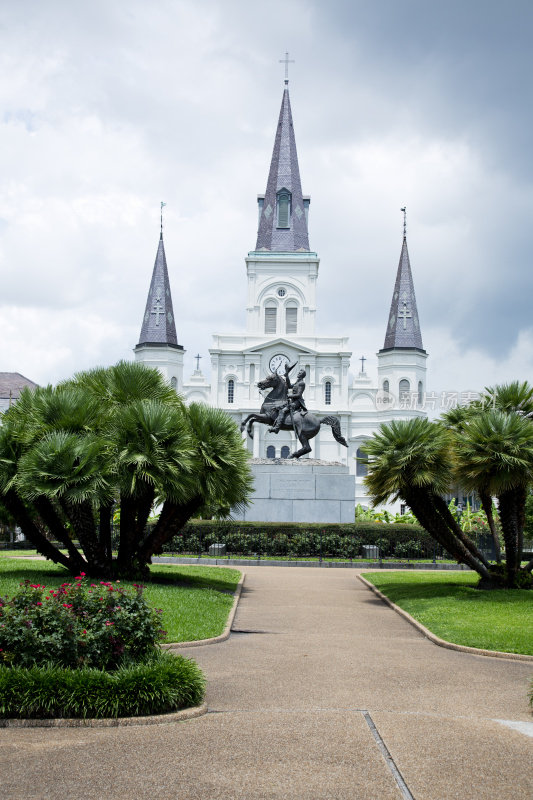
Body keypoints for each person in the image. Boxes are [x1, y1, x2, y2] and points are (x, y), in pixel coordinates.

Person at [269, 364, 308, 433]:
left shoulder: (302, 383)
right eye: (298, 372)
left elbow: (299, 395)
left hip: (297, 402)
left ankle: (277, 428)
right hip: (292, 401)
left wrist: (289, 396)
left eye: (300, 373)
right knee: (278, 407)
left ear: (302, 375)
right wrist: (287, 376)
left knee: (283, 410)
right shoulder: (297, 382)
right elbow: (289, 386)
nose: (298, 374)